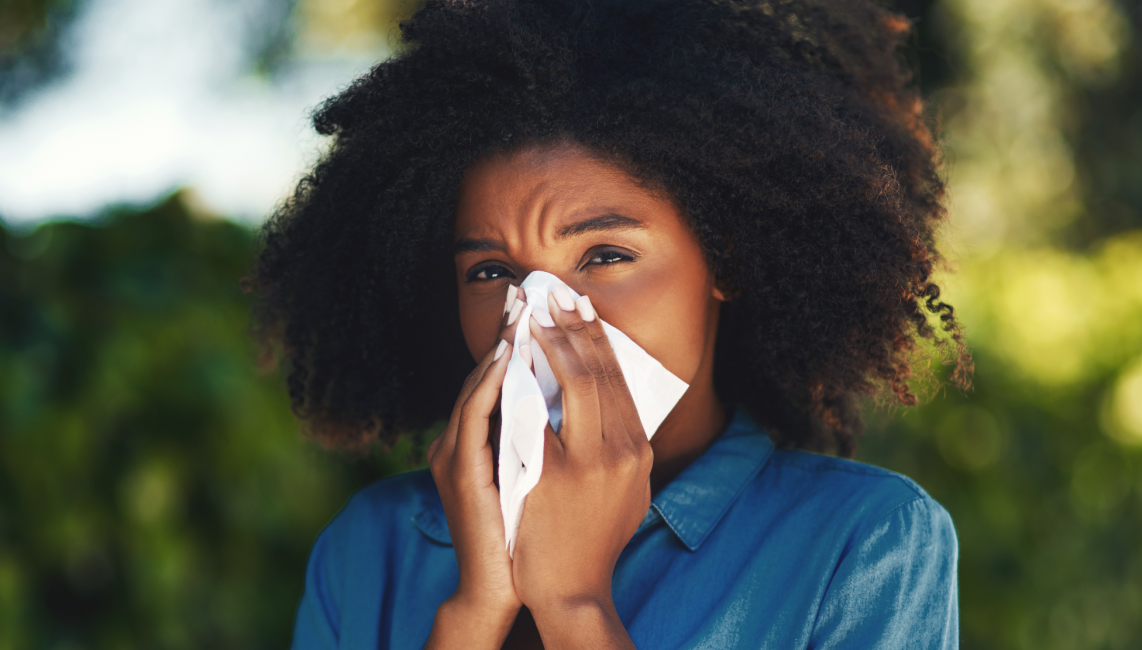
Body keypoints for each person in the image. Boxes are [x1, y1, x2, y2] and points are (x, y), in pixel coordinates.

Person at [249, 0, 973, 647]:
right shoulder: (368, 551)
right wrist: (472, 613)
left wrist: (573, 605)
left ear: (726, 262)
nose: (537, 315)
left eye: (603, 255)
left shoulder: (864, 543)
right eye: (492, 273)